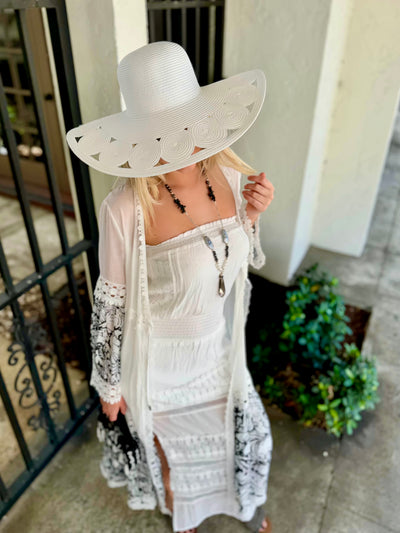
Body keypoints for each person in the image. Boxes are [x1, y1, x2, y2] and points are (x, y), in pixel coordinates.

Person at [66, 41, 275, 533]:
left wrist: (251, 215)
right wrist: (110, 388)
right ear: (144, 136)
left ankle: (245, 507)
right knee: (174, 460)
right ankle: (185, 518)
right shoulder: (126, 209)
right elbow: (110, 307)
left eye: (190, 122)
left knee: (249, 439)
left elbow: (232, 260)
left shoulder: (227, 174)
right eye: (171, 130)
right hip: (159, 367)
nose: (188, 141)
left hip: (216, 351)